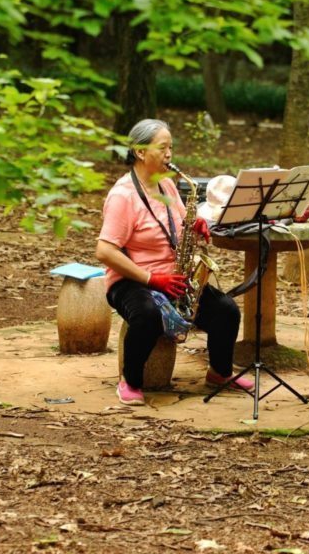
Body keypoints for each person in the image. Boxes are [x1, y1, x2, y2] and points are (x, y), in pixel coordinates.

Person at [96, 119, 249, 406]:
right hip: (131, 280)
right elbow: (104, 251)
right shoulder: (123, 196)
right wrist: (152, 279)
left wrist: (197, 224)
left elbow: (179, 221)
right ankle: (129, 381)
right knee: (148, 315)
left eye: (171, 147)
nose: (170, 154)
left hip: (172, 276)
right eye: (163, 147)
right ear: (140, 152)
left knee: (226, 310)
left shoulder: (166, 184)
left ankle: (220, 373)